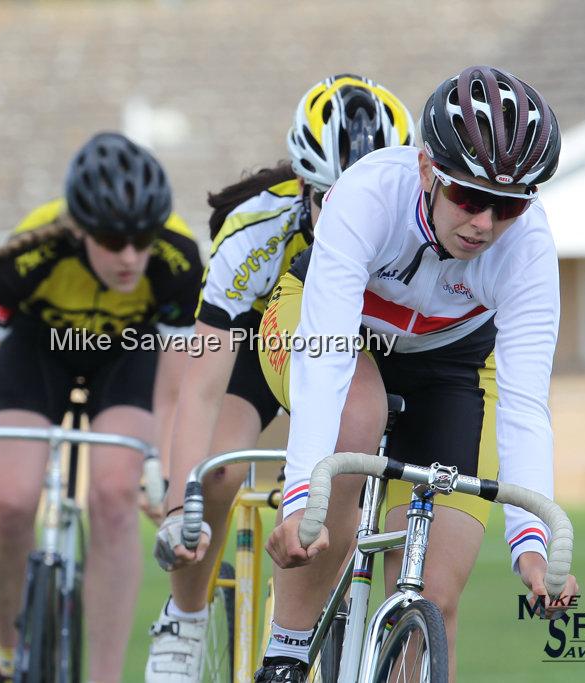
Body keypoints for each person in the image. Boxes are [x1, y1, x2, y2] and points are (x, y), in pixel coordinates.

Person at [252, 66, 581, 682]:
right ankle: (288, 653)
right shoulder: (370, 193)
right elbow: (325, 355)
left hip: (450, 361)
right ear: (428, 170)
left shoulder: (528, 246)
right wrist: (302, 494)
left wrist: (533, 542)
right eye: (469, 198)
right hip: (332, 331)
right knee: (356, 412)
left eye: (508, 205)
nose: (484, 223)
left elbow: (523, 401)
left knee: (435, 592)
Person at [145, 74, 415, 682]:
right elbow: (203, 383)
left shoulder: (412, 229)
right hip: (259, 344)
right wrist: (179, 494)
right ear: (301, 186)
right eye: (326, 199)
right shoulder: (254, 231)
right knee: (219, 474)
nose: (343, 217)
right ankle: (183, 621)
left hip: (369, 350)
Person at [0, 132, 203, 683]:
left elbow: (173, 393)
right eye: (111, 239)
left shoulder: (177, 260)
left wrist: (165, 476)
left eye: (141, 239)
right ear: (78, 229)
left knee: (116, 493)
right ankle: (8, 657)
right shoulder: (27, 253)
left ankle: (103, 676)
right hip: (37, 349)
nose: (130, 257)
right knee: (9, 499)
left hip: (129, 351)